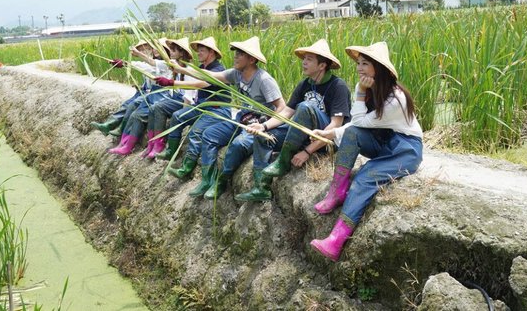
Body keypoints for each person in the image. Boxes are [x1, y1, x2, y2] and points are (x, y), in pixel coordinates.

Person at [309, 42, 423, 262]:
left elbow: (360, 120)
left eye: (365, 64)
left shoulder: (395, 99)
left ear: (379, 69)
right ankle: (337, 191)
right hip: (384, 140)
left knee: (364, 178)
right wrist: (328, 134)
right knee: (351, 135)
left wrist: (360, 92)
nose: (359, 68)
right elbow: (358, 127)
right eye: (358, 63)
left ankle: (336, 239)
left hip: (405, 149)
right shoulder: (368, 90)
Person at [167, 37, 285, 200]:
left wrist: (265, 126)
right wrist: (182, 70)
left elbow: (282, 108)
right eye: (235, 53)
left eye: (240, 54)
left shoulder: (264, 80)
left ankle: (222, 181)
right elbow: (210, 76)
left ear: (251, 59)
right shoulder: (236, 74)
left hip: (258, 125)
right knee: (208, 135)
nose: (235, 57)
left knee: (238, 144)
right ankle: (208, 180)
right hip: (241, 120)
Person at [235, 39, 351, 202]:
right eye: (304, 58)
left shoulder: (338, 86)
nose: (304, 62)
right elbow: (287, 112)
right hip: (301, 135)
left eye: (309, 59)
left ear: (322, 65)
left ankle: (283, 160)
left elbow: (336, 125)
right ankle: (261, 187)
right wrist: (263, 126)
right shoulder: (305, 84)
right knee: (262, 136)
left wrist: (307, 151)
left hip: (326, 141)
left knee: (304, 107)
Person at [107, 38, 189, 156]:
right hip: (158, 95)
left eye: (173, 50)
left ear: (181, 53)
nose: (155, 50)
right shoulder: (172, 64)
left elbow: (149, 64)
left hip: (164, 95)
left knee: (145, 110)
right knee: (136, 109)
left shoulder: (171, 65)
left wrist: (132, 58)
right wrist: (126, 63)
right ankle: (142, 145)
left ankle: (149, 145)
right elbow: (148, 63)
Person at [150, 37, 226, 160]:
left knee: (195, 132)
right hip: (201, 106)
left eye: (201, 50)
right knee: (177, 116)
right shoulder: (201, 67)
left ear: (211, 52)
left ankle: (188, 164)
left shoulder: (218, 70)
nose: (198, 53)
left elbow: (198, 84)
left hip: (215, 109)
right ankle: (171, 152)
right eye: (198, 50)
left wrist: (171, 82)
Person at [90, 39, 161, 137]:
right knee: (126, 104)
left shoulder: (159, 64)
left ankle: (121, 129)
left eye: (147, 49)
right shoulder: (148, 63)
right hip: (144, 92)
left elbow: (145, 68)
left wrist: (124, 63)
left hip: (155, 95)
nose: (144, 52)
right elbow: (145, 71)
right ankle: (109, 124)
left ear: (151, 50)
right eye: (141, 51)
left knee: (133, 105)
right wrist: (141, 86)